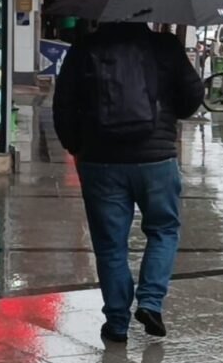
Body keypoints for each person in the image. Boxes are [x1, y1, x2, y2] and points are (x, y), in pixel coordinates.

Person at [53, 22, 204, 343]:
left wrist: (76, 145)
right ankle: (150, 301)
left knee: (110, 246)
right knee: (163, 230)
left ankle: (117, 322)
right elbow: (193, 97)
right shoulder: (165, 46)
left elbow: (63, 105)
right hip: (156, 160)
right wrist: (166, 113)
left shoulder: (84, 47)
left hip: (100, 161)